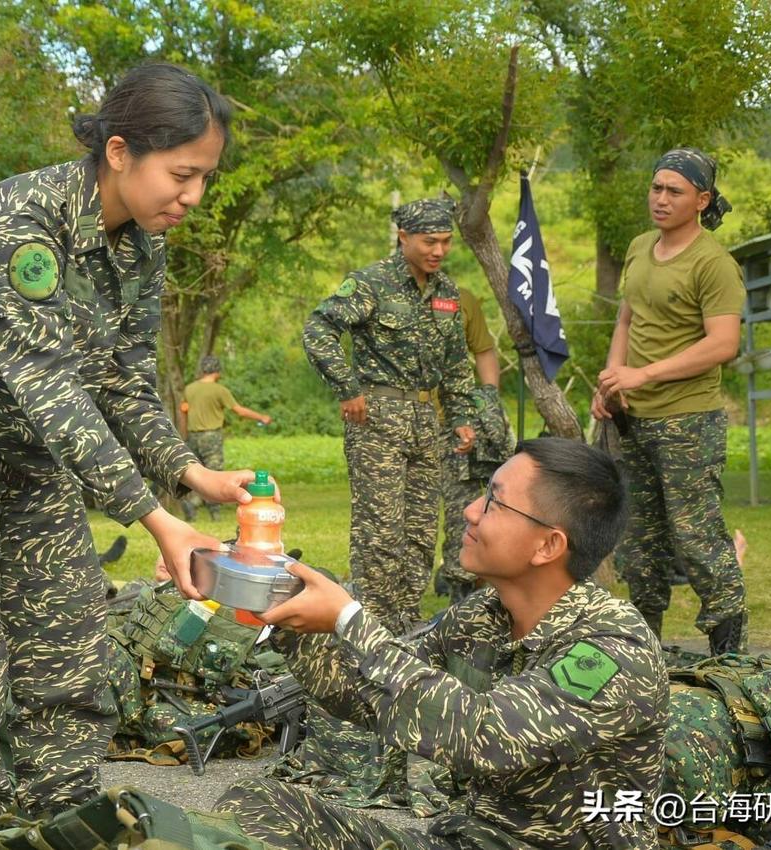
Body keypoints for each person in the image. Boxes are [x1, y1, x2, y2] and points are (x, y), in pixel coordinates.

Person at [0, 64, 255, 839]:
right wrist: (154, 518)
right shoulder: (26, 221)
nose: (193, 197)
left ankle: (62, 824)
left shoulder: (143, 246)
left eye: (204, 179)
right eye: (182, 175)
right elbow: (42, 382)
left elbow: (124, 379)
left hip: (30, 455)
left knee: (69, 652)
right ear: (118, 152)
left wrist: (187, 471)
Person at [215, 438, 667, 850]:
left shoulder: (613, 648)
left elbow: (487, 734)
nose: (471, 511)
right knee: (262, 804)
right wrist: (281, 596)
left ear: (548, 545)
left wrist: (348, 618)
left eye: (494, 502)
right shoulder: (481, 616)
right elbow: (369, 695)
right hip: (469, 840)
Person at [592, 147, 747, 655]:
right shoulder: (640, 247)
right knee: (639, 543)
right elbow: (627, 318)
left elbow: (723, 344)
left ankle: (730, 658)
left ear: (701, 200)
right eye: (656, 188)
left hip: (688, 420)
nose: (660, 199)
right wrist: (612, 382)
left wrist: (643, 374)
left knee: (696, 540)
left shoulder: (713, 263)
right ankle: (643, 652)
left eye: (673, 191)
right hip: (633, 419)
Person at [302, 198, 475, 632]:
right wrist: (347, 387)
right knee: (380, 531)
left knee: (419, 531)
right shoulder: (371, 284)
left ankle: (407, 625)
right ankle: (373, 627)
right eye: (429, 241)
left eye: (446, 242)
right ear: (403, 238)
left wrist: (460, 414)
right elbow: (319, 328)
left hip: (424, 419)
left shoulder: (447, 293)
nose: (438, 251)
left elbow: (456, 360)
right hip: (377, 419)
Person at [431, 287, 512, 603]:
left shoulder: (460, 298)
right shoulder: (384, 293)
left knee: (462, 511)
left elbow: (484, 349)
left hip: (456, 425)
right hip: (407, 423)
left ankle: (464, 598)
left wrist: (487, 399)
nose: (438, 250)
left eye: (444, 241)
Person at [179, 354, 272, 521]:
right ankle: (212, 513)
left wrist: (184, 434)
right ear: (217, 371)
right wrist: (261, 417)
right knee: (215, 475)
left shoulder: (189, 389)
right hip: (211, 437)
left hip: (193, 437)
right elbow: (239, 411)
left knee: (197, 475)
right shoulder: (220, 390)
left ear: (202, 370)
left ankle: (192, 504)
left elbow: (183, 411)